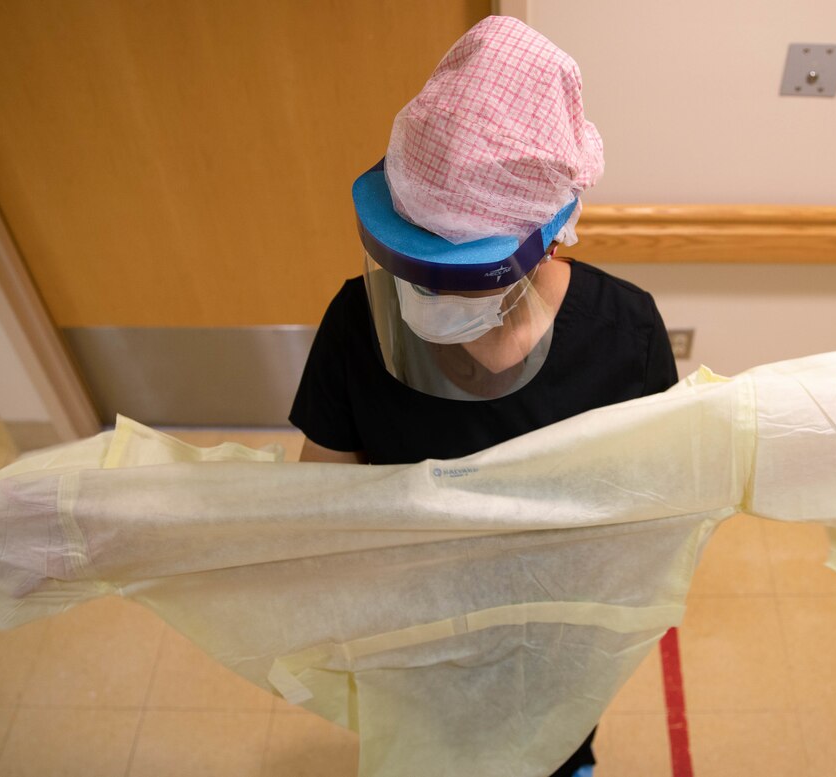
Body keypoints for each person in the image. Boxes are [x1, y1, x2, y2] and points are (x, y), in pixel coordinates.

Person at [290, 15, 678, 777]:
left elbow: (652, 504)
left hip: (561, 623)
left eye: (465, 275)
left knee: (553, 734)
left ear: (552, 232)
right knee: (429, 736)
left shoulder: (624, 331)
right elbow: (318, 497)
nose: (433, 298)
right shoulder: (358, 322)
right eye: (414, 264)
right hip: (415, 623)